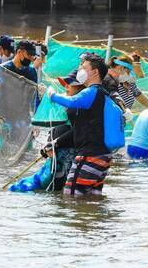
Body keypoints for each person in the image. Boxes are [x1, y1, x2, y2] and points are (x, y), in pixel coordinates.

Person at [48, 54, 113, 196]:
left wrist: (51, 94)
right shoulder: (103, 93)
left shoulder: (92, 91)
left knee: (71, 196)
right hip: (103, 156)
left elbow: (70, 102)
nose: (80, 71)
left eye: (84, 68)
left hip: (89, 155)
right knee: (92, 199)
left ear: (95, 72)